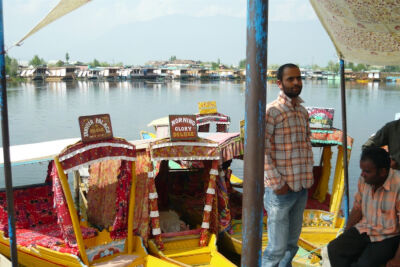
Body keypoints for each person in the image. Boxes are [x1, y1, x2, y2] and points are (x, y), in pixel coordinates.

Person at [262, 63, 314, 266]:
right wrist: (277, 184)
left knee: (291, 246)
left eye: (298, 78)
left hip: (300, 188)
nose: (296, 82)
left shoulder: (302, 111)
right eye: (290, 79)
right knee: (276, 249)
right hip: (280, 191)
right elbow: (261, 151)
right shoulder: (272, 111)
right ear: (279, 83)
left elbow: (305, 146)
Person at [327, 147, 400, 267]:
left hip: (389, 236)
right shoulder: (364, 180)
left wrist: (397, 259)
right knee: (334, 248)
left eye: (367, 171)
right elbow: (357, 208)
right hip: (365, 228)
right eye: (362, 170)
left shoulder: (398, 184)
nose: (362, 174)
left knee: (364, 264)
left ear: (382, 172)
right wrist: (346, 233)